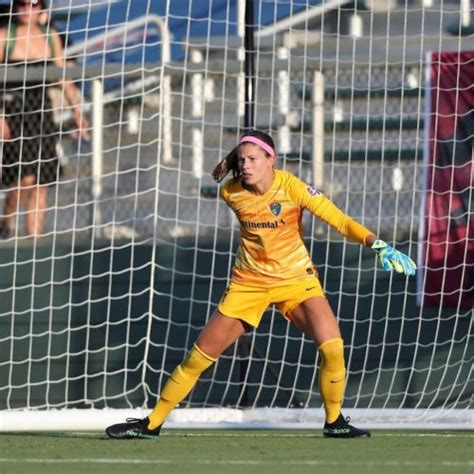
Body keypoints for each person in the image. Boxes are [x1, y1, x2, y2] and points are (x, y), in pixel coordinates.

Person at [106, 130, 416, 439]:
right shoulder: (231, 192)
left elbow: (339, 220)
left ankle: (334, 422)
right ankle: (151, 423)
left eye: (254, 159)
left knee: (333, 348)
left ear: (272, 160)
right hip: (248, 284)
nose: (247, 166)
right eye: (242, 160)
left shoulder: (293, 188)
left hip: (297, 281)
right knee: (198, 358)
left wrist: (378, 245)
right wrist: (233, 161)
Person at [0, 0, 89, 238]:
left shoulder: (50, 36)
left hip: (41, 112)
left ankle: (34, 239)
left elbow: (63, 78)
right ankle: (5, 219)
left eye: (33, 4)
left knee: (42, 181)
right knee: (25, 176)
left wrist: (78, 113)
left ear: (42, 9)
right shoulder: (3, 37)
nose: (28, 10)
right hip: (13, 111)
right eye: (22, 5)